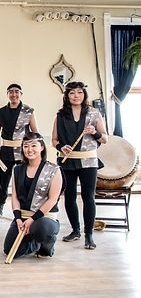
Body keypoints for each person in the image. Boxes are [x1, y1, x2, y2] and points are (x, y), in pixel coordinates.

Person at [51, 81, 107, 250]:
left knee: (88, 197)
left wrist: (94, 132)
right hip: (67, 160)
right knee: (69, 197)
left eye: (80, 93)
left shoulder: (94, 113)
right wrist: (61, 147)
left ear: (84, 95)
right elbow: (54, 140)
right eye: (72, 93)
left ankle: (89, 234)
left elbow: (105, 138)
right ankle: (75, 230)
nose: (76, 96)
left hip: (89, 161)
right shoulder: (60, 115)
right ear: (67, 96)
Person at [3, 132, 62, 259]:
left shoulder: (54, 170)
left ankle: (46, 245)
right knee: (10, 250)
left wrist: (32, 219)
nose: (29, 150)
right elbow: (15, 197)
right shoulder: (17, 169)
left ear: (41, 147)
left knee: (41, 229)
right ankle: (34, 242)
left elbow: (52, 200)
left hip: (44, 218)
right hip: (23, 216)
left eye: (33, 145)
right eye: (26, 146)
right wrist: (18, 219)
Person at [0, 83, 38, 219]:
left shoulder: (28, 111)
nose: (14, 94)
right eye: (11, 92)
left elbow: (35, 132)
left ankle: (25, 208)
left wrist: (35, 150)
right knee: (3, 182)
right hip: (5, 151)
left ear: (21, 94)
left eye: (17, 92)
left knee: (24, 180)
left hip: (24, 151)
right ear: (7, 94)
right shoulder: (1, 112)